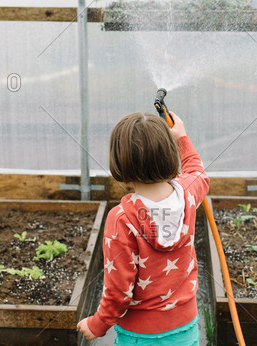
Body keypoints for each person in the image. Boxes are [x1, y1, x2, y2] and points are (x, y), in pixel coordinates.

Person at [77, 111, 209, 345]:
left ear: (119, 162)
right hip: (185, 328)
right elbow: (198, 173)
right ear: (169, 154)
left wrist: (98, 323)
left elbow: (119, 292)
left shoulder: (121, 219)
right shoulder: (187, 193)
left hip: (139, 336)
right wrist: (182, 138)